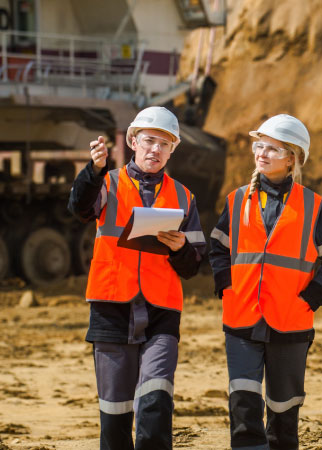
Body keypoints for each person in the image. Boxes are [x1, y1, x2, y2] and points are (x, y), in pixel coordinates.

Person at [67, 106, 206, 450]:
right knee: (115, 413)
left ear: (173, 150)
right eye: (148, 141)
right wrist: (94, 170)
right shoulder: (107, 183)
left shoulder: (184, 197)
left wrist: (179, 249)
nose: (155, 150)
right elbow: (80, 208)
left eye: (164, 144)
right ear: (133, 141)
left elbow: (193, 266)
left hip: (161, 312)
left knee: (156, 400)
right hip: (111, 306)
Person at [208, 114, 322, 450]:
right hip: (241, 317)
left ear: (292, 159)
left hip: (291, 320)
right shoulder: (237, 200)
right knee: (243, 404)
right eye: (259, 146)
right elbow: (218, 246)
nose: (262, 153)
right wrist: (227, 286)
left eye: (272, 148)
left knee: (284, 410)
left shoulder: (312, 206)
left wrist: (312, 297)